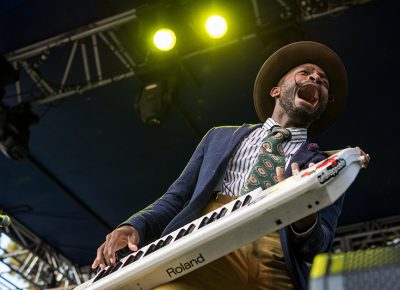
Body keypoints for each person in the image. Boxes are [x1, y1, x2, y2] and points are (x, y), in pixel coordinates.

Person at [91, 41, 369, 290]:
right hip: (205, 247)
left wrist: (304, 217)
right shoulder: (219, 137)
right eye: (306, 72)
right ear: (276, 90)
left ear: (319, 105)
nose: (316, 79)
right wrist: (134, 227)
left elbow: (318, 246)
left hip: (276, 262)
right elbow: (177, 198)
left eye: (323, 82)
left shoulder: (325, 166)